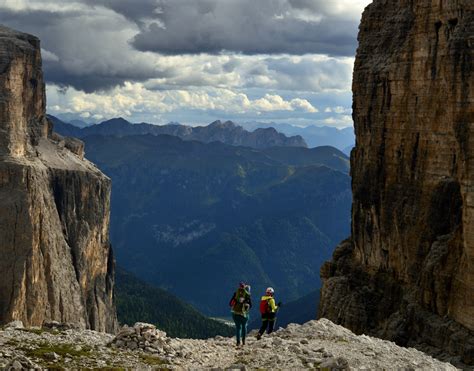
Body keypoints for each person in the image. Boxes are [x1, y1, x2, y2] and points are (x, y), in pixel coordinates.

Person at [229, 282, 252, 346]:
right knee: (244, 326)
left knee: (238, 328)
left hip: (235, 313)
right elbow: (251, 305)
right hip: (244, 314)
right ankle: (244, 341)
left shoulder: (236, 293)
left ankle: (238, 342)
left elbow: (230, 303)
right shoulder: (247, 296)